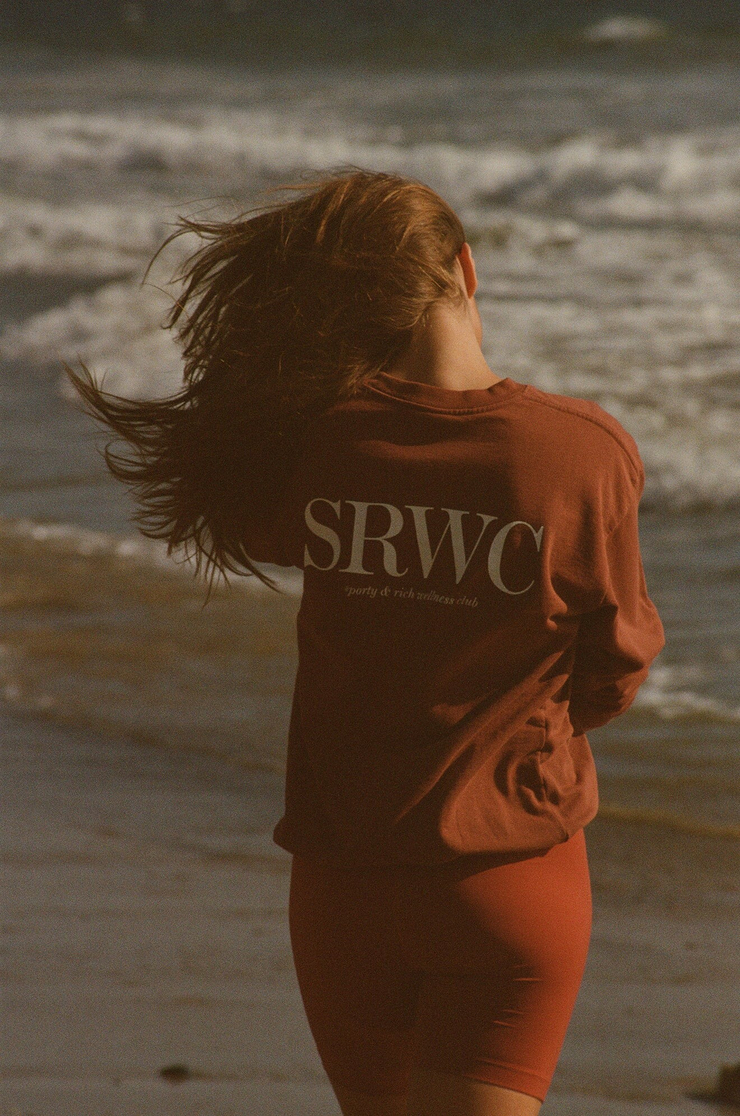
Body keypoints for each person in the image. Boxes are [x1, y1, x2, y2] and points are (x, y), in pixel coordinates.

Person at [67, 169, 665, 1116]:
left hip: (342, 881)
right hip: (506, 873)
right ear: (466, 269)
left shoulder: (317, 443)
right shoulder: (580, 450)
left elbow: (259, 526)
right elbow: (618, 663)